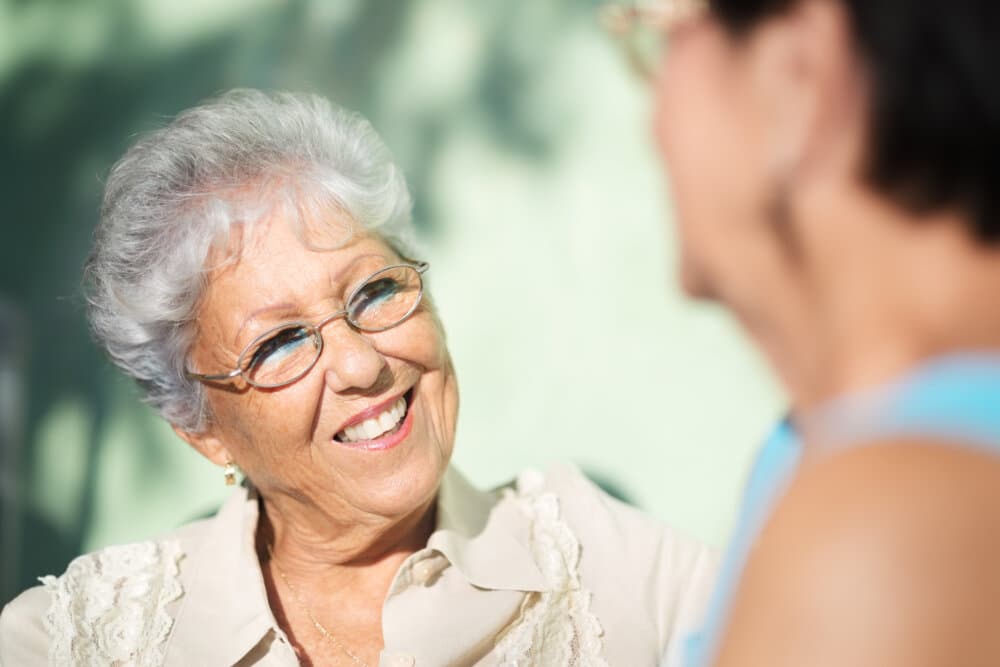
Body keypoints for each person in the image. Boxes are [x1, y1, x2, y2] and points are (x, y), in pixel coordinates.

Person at [0, 89, 716, 666]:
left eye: (374, 292)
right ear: (202, 429)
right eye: (280, 342)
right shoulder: (70, 644)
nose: (363, 363)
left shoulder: (619, 569)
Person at [611, 0, 1000, 665]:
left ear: (797, 71)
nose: (651, 123)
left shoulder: (886, 533)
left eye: (662, 40)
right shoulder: (824, 443)